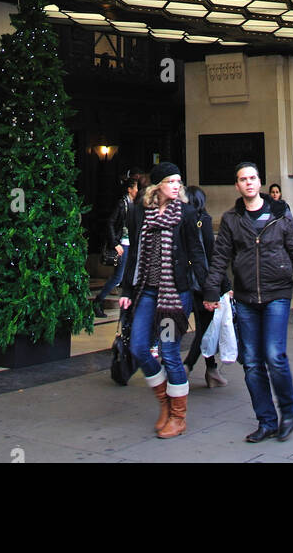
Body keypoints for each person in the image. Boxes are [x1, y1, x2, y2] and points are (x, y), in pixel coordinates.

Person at [203, 162, 293, 443]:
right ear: (237, 185)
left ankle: (287, 413)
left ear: (260, 182)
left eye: (253, 178)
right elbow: (220, 258)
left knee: (274, 355)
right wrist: (211, 291)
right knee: (251, 362)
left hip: (277, 293)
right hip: (246, 296)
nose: (249, 183)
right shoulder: (231, 219)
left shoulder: (279, 213)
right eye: (243, 179)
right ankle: (266, 420)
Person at [119, 163, 204, 439]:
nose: (176, 186)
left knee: (169, 352)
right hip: (147, 290)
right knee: (139, 347)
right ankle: (165, 402)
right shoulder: (140, 213)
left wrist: (212, 290)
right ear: (157, 186)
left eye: (179, 181)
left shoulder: (187, 213)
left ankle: (178, 417)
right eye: (170, 181)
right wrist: (126, 292)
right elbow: (133, 255)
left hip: (174, 295)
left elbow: (197, 253)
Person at [184, 185, 226, 388]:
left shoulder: (182, 221)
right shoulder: (204, 220)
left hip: (186, 282)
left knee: (204, 326)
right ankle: (188, 366)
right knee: (205, 328)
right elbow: (211, 253)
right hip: (203, 283)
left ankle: (211, 370)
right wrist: (223, 285)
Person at [94, 172, 140, 318]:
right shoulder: (122, 204)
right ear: (129, 189)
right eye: (135, 188)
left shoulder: (132, 204)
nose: (137, 190)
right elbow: (111, 222)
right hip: (123, 244)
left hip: (129, 244)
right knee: (118, 277)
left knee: (126, 276)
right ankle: (98, 301)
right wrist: (115, 243)